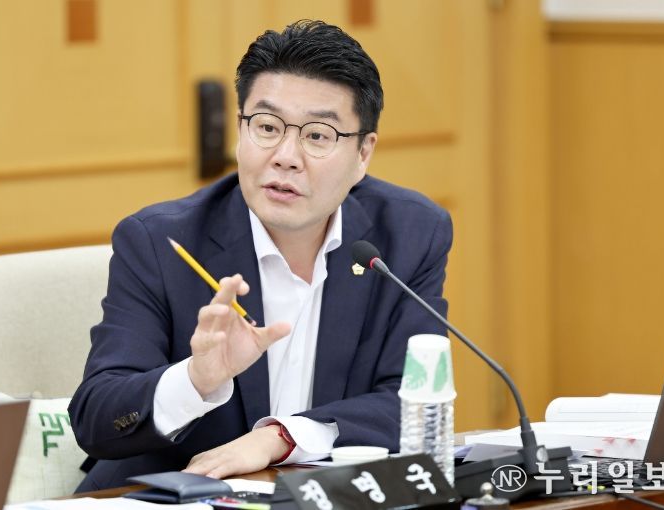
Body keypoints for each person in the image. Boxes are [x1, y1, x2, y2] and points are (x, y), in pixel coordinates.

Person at [69, 19, 452, 491]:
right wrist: (196, 380)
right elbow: (97, 418)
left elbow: (413, 402)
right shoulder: (158, 241)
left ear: (363, 154)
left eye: (318, 135)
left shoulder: (410, 234)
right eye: (267, 127)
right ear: (239, 130)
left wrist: (280, 438)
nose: (285, 156)